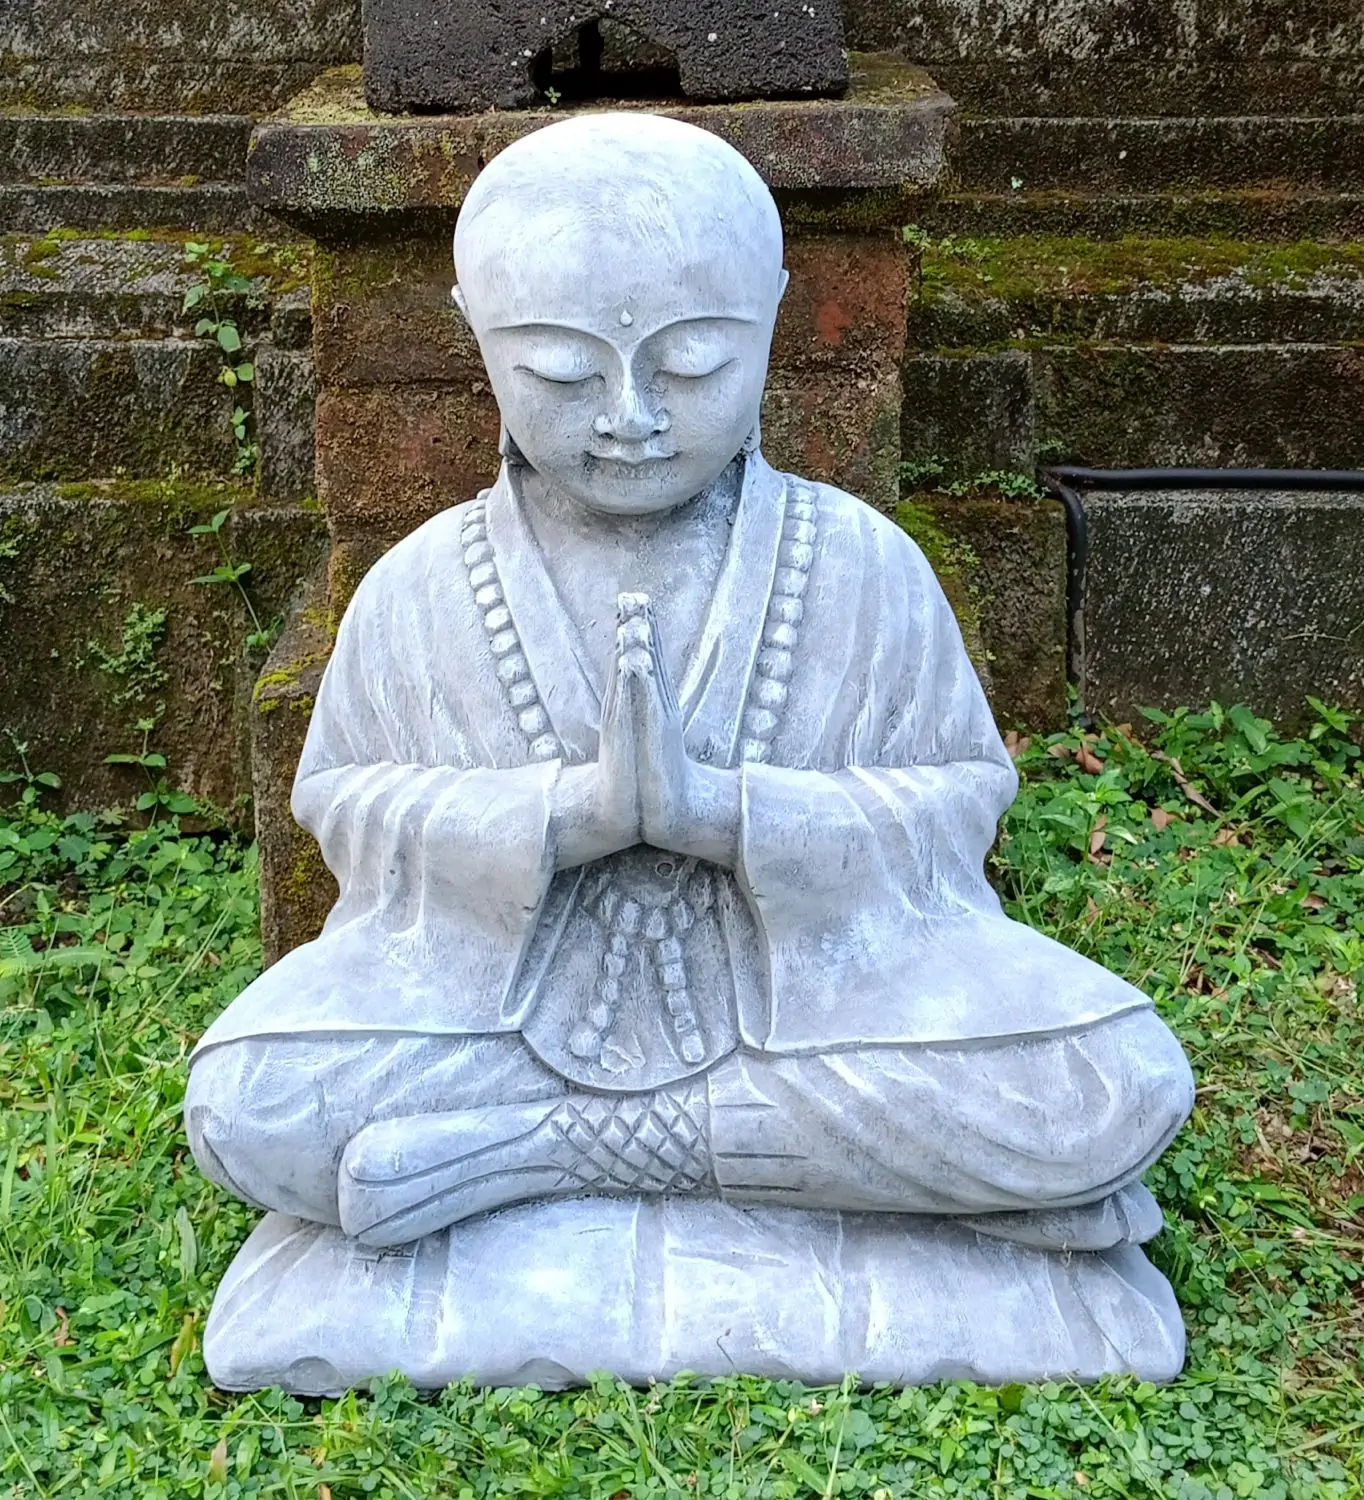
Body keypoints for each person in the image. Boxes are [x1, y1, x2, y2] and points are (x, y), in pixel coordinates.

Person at [185, 113, 1192, 1256]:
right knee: (248, 1099)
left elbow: (958, 795)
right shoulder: (422, 583)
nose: (631, 416)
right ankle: (846, 1172)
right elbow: (343, 800)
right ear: (475, 337)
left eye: (692, 364)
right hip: (498, 1012)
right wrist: (567, 817)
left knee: (1110, 1081)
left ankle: (541, 1153)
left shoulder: (858, 562)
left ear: (769, 317)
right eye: (562, 373)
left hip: (820, 1005)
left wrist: (722, 815)